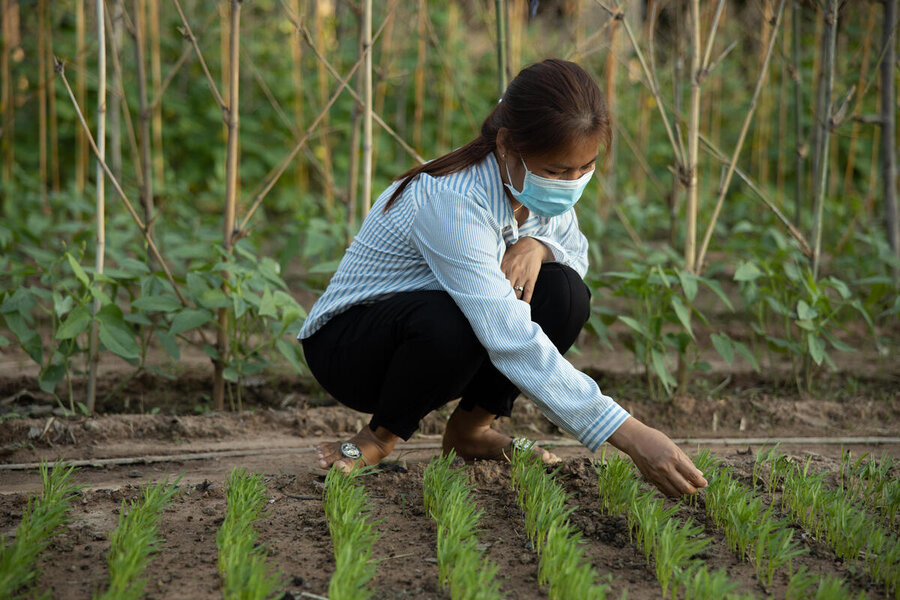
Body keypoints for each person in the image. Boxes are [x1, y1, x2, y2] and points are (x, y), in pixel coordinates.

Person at [298, 58, 707, 497]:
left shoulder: (538, 191)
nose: (570, 184)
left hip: (433, 336)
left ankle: (470, 432)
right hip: (352, 348)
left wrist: (540, 247)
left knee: (565, 292)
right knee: (453, 321)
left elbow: (579, 255)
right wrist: (630, 434)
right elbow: (506, 334)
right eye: (556, 172)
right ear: (508, 144)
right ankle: (379, 436)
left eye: (584, 168)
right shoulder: (452, 199)